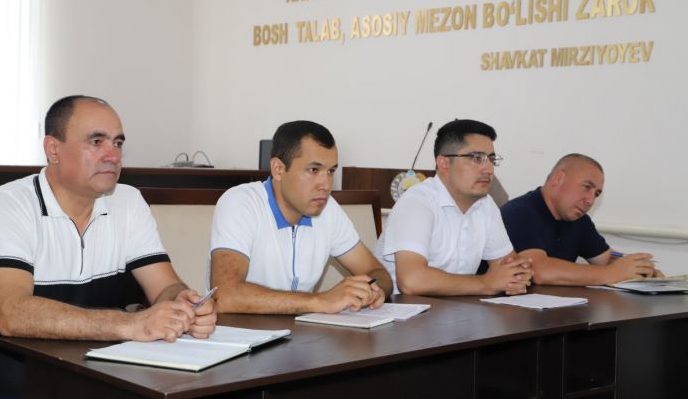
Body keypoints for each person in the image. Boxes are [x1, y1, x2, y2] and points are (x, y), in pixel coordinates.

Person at [0, 96, 217, 399]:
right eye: (96, 142)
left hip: (98, 380)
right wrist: (132, 324)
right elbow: (12, 314)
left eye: (118, 143)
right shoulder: (7, 205)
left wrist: (182, 304)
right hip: (7, 387)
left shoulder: (128, 201)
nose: (113, 155)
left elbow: (165, 286)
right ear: (53, 149)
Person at [210, 120, 393, 314]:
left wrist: (373, 290)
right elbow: (225, 295)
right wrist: (320, 301)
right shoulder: (241, 203)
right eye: (313, 170)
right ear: (278, 169)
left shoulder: (328, 209)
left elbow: (377, 272)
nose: (326, 185)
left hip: (301, 330)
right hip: (242, 331)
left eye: (330, 171)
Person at [374, 119, 532, 296]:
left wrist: (517, 276)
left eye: (491, 159)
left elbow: (508, 266)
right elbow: (412, 281)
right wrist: (486, 283)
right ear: (444, 163)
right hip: (404, 308)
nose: (488, 169)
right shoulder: (417, 202)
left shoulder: (486, 204)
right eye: (477, 158)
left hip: (456, 307)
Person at [501, 153, 659, 285]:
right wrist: (613, 273)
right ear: (558, 178)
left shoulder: (578, 219)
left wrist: (640, 269)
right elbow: (539, 271)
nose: (590, 201)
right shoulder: (519, 212)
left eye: (596, 194)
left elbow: (607, 258)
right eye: (587, 187)